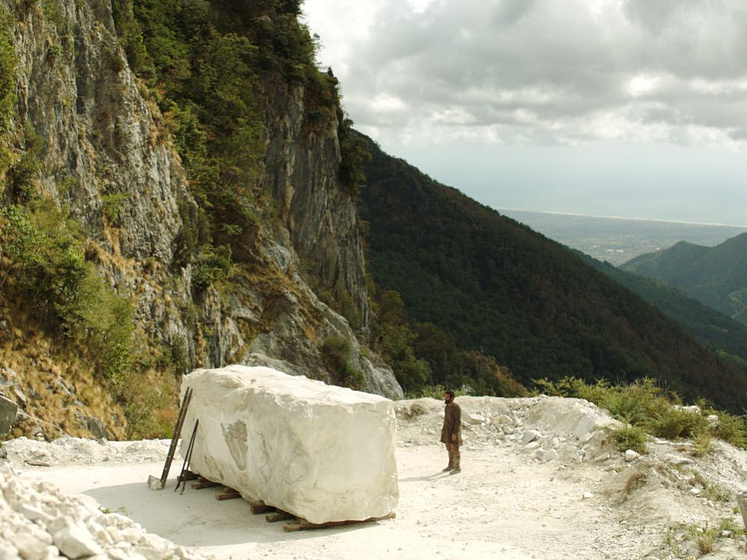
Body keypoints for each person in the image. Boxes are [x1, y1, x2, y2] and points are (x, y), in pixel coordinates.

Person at [440, 390, 462, 473]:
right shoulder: (447, 407)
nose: (446, 399)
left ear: (452, 398)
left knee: (455, 448)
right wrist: (443, 430)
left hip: (454, 431)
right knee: (449, 448)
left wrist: (455, 433)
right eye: (445, 397)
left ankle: (457, 467)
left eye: (447, 397)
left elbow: (457, 421)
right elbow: (446, 419)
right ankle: (451, 465)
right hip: (447, 431)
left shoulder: (456, 407)